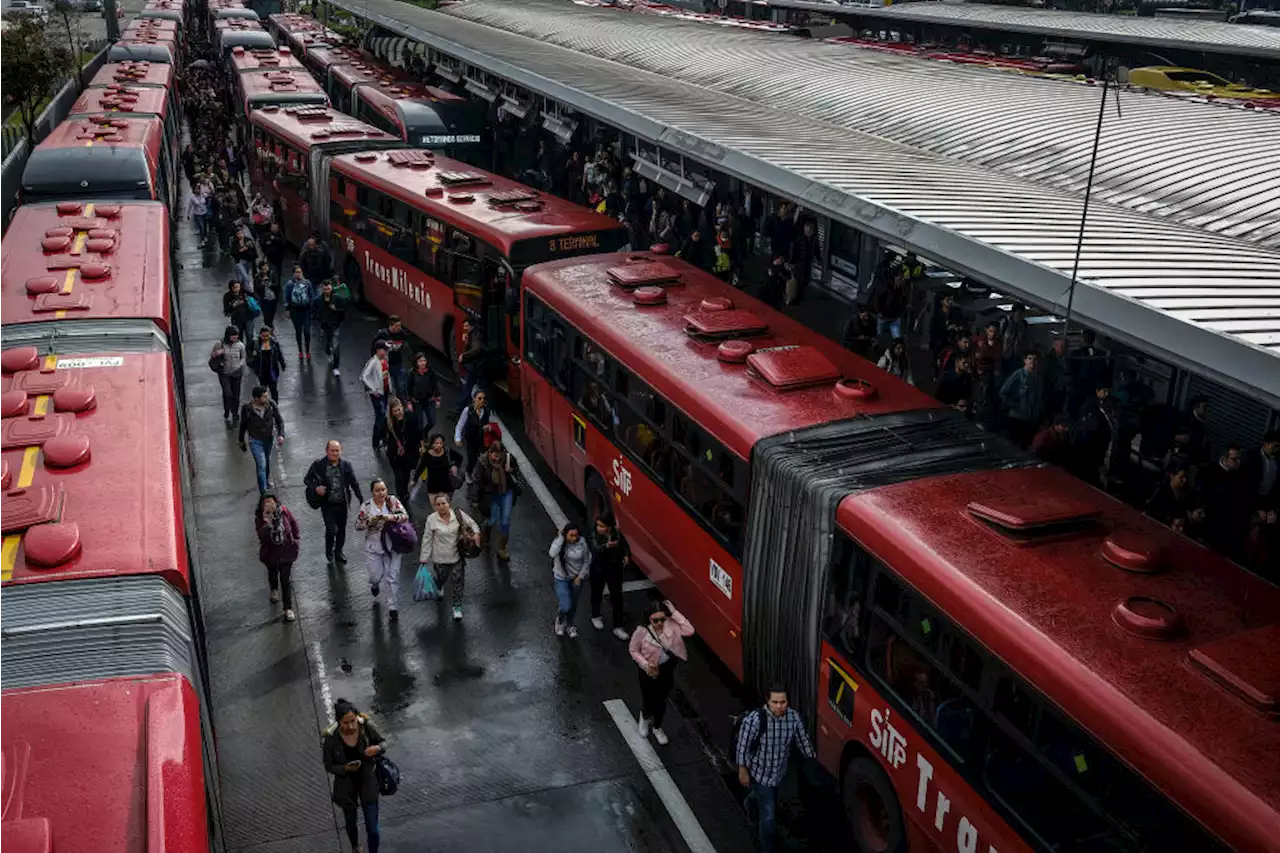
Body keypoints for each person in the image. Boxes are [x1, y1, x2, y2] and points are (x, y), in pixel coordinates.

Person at [736, 687, 817, 853]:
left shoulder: (793, 718)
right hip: (759, 773)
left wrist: (812, 759)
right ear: (768, 701)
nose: (779, 706)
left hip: (779, 773)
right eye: (775, 702)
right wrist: (742, 770)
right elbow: (742, 747)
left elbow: (803, 741)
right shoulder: (755, 721)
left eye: (783, 702)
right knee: (768, 817)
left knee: (760, 798)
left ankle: (750, 803)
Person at [322, 699, 386, 853]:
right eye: (345, 723)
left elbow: (383, 743)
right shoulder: (331, 739)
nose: (350, 726)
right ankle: (355, 847)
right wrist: (344, 768)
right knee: (351, 822)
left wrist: (376, 748)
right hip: (346, 786)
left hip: (367, 781)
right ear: (338, 722)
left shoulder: (366, 727)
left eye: (353, 721)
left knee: (373, 828)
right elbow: (328, 765)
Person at [629, 600, 694, 745]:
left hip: (667, 669)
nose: (659, 623)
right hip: (648, 670)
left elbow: (690, 630)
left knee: (661, 700)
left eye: (662, 619)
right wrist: (645, 664)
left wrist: (675, 613)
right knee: (649, 698)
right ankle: (645, 718)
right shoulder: (641, 632)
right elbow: (633, 650)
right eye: (655, 620)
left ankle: (657, 727)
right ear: (648, 618)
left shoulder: (672, 625)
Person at [355, 478, 410, 621]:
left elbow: (404, 516)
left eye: (383, 489)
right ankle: (374, 584)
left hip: (393, 546)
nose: (381, 493)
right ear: (372, 492)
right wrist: (370, 522)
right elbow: (358, 525)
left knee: (392, 577)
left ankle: (392, 607)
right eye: (377, 490)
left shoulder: (392, 501)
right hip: (374, 547)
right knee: (375, 575)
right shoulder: (366, 506)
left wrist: (389, 517)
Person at [420, 493, 481, 621]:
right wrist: (424, 557)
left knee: (458, 582)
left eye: (444, 503)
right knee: (441, 578)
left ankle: (457, 607)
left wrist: (476, 534)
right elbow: (427, 538)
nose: (441, 507)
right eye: (438, 504)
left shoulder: (458, 515)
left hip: (456, 556)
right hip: (439, 558)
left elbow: (472, 524)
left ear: (449, 504)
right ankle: (439, 586)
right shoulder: (431, 519)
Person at [304, 440, 364, 569]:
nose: (334, 453)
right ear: (327, 451)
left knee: (341, 530)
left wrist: (361, 500)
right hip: (327, 504)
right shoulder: (319, 464)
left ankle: (338, 551)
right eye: (332, 450)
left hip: (342, 503)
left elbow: (354, 483)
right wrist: (316, 488)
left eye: (337, 450)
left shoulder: (346, 465)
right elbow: (307, 479)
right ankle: (329, 549)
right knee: (332, 529)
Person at [255, 492, 300, 621]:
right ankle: (274, 589)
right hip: (271, 554)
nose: (270, 505)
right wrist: (267, 522)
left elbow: (294, 524)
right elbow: (261, 536)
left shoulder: (284, 511)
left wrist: (296, 541)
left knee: (286, 580)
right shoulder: (260, 518)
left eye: (272, 502)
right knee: (273, 573)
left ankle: (288, 608)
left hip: (286, 552)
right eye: (266, 503)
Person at [471, 440, 518, 561]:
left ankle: (502, 547)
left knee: (505, 520)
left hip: (506, 492)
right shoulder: (482, 462)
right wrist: (475, 498)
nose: (497, 458)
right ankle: (485, 534)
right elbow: (477, 480)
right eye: (495, 455)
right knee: (491, 520)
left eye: (500, 455)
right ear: (490, 453)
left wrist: (511, 471)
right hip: (490, 495)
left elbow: (516, 473)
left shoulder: (508, 459)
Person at [590, 513, 631, 641]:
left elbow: (625, 546)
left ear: (609, 527)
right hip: (599, 569)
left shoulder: (616, 534)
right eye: (598, 525)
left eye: (602, 526)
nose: (599, 528)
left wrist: (626, 555)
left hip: (615, 570)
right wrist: (606, 546)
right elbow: (595, 549)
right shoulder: (595, 535)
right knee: (597, 593)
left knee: (617, 597)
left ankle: (618, 626)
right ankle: (595, 615)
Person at [238, 386, 285, 494]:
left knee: (267, 461)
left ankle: (266, 481)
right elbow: (243, 425)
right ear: (256, 398)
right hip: (255, 440)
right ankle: (263, 492)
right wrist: (241, 440)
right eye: (264, 397)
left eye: (267, 395)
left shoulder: (271, 404)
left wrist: (281, 435)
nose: (267, 398)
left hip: (268, 439)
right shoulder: (247, 408)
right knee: (261, 464)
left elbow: (279, 420)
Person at [550, 523, 591, 638]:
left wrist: (580, 576)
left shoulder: (582, 543)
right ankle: (560, 621)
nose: (574, 538)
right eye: (571, 536)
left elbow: (586, 561)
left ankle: (569, 625)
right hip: (561, 579)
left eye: (576, 535)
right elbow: (552, 553)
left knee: (573, 605)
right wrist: (560, 538)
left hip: (576, 579)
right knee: (565, 605)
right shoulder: (559, 543)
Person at [1000, 352, 1046, 448]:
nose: (1032, 361)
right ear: (1024, 360)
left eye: (1034, 359)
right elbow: (1003, 393)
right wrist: (1014, 405)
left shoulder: (1038, 377)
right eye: (1029, 358)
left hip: (1031, 419)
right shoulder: (1018, 375)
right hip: (1017, 419)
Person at [385, 398, 421, 512]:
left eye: (399, 409)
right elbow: (388, 437)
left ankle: (404, 494)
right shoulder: (390, 423)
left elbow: (418, 433)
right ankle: (401, 496)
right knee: (398, 476)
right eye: (395, 411)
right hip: (395, 454)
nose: (398, 412)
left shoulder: (411, 417)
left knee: (405, 475)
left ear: (402, 407)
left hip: (409, 453)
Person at [413, 433, 463, 506]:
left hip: (447, 485)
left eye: (440, 443)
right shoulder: (427, 455)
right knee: (436, 509)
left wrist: (454, 465)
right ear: (432, 444)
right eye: (436, 443)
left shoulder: (447, 451)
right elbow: (420, 468)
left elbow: (459, 458)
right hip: (433, 486)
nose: (439, 445)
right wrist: (414, 479)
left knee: (445, 508)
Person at [361, 342, 393, 452]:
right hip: (377, 395)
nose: (386, 352)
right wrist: (372, 389)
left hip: (384, 392)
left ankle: (383, 438)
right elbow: (363, 377)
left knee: (382, 416)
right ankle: (376, 441)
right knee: (381, 417)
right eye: (384, 349)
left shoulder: (384, 360)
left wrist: (390, 389)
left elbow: (387, 375)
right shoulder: (373, 362)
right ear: (378, 350)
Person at [211, 325, 246, 426]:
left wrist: (240, 364)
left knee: (236, 394)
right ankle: (227, 410)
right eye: (233, 336)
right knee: (227, 393)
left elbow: (243, 357)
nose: (235, 338)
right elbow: (212, 356)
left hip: (237, 373)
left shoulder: (240, 345)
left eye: (236, 336)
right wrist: (217, 353)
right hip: (224, 373)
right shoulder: (220, 344)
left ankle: (234, 412)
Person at [454, 388, 492, 479]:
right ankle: (468, 472)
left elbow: (486, 422)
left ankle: (478, 473)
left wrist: (487, 427)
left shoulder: (486, 410)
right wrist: (457, 438)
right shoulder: (468, 410)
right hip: (470, 438)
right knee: (472, 457)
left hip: (481, 438)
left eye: (483, 398)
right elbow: (460, 424)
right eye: (479, 398)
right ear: (474, 399)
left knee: (482, 457)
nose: (482, 400)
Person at [314, 279, 348, 377]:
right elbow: (314, 311)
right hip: (324, 327)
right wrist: (319, 318)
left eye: (328, 289)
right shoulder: (318, 300)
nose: (327, 291)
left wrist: (336, 309)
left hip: (334, 326)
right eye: (325, 289)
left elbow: (344, 308)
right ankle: (328, 351)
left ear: (331, 288)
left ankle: (336, 367)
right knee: (327, 342)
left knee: (335, 346)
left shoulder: (338, 299)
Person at [248, 325, 286, 403]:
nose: (265, 338)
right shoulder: (256, 342)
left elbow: (279, 353)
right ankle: (264, 405)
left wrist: (282, 364)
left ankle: (275, 405)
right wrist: (252, 358)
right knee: (263, 390)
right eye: (263, 336)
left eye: (267, 336)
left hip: (272, 370)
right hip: (261, 371)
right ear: (260, 335)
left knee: (273, 389)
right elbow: (248, 349)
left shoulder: (274, 343)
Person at [284, 266, 315, 360]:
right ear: (293, 273)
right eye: (296, 272)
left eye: (300, 272)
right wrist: (287, 310)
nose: (298, 274)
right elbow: (287, 297)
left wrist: (311, 307)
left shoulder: (307, 283)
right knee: (298, 332)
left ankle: (308, 351)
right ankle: (300, 351)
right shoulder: (290, 284)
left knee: (307, 332)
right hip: (295, 311)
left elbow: (312, 295)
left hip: (305, 311)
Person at [371, 316, 408, 396]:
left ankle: (400, 405)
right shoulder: (382, 334)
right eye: (397, 325)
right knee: (385, 388)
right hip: (385, 365)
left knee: (400, 387)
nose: (399, 327)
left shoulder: (402, 334)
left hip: (397, 364)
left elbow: (406, 346)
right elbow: (374, 347)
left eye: (400, 325)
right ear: (391, 325)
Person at [405, 352, 440, 434]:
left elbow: (435, 384)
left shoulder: (430, 371)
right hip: (417, 402)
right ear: (416, 362)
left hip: (429, 400)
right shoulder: (412, 373)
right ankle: (421, 438)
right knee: (419, 425)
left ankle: (425, 432)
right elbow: (407, 388)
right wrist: (408, 402)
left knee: (432, 422)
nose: (423, 363)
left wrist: (438, 398)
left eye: (424, 360)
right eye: (420, 361)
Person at [456, 319, 485, 412]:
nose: (465, 328)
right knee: (470, 384)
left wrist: (464, 356)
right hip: (476, 365)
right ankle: (465, 404)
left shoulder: (474, 334)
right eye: (464, 326)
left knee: (468, 385)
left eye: (466, 326)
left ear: (471, 326)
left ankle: (462, 405)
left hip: (475, 365)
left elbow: (476, 349)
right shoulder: (472, 334)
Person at [255, 258, 279, 330]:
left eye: (266, 269)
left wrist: (270, 284)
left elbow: (277, 284)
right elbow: (256, 288)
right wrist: (263, 283)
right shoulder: (257, 277)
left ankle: (270, 325)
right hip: (264, 300)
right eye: (263, 269)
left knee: (272, 314)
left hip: (273, 299)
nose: (265, 271)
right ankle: (268, 328)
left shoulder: (273, 274)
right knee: (266, 315)